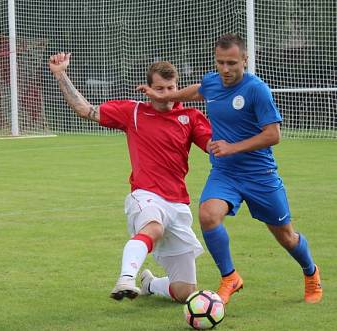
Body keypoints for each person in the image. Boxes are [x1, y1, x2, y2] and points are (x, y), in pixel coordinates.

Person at [137, 33, 322, 304]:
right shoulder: (213, 82)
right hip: (225, 173)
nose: (225, 69)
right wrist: (166, 94)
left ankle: (311, 272)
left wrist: (232, 147)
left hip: (260, 175)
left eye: (232, 63)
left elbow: (273, 135)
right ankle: (230, 277)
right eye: (220, 62)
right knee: (208, 215)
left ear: (244, 59)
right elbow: (198, 90)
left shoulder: (256, 90)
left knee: (286, 237)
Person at [49, 53, 212, 303]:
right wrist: (61, 73)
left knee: (184, 292)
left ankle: (150, 283)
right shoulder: (133, 112)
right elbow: (86, 109)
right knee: (153, 228)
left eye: (170, 88)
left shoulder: (190, 117)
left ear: (178, 88)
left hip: (178, 205)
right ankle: (126, 279)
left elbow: (215, 147)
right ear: (148, 89)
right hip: (145, 195)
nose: (165, 94)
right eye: (159, 88)